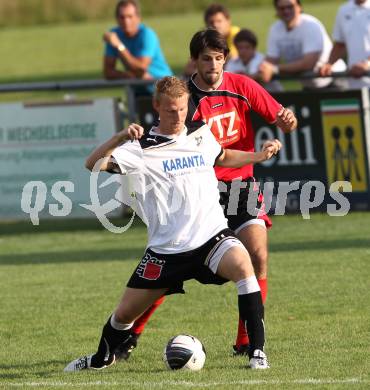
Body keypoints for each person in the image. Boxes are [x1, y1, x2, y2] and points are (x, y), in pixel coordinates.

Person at [64, 76, 284, 372]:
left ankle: (257, 352)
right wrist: (119, 138)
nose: (178, 116)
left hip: (211, 239)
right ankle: (100, 359)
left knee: (246, 269)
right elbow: (92, 164)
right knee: (123, 316)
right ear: (156, 106)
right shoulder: (140, 147)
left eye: (182, 109)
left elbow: (223, 155)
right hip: (166, 251)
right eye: (170, 110)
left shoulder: (200, 132)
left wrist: (258, 155)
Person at [115, 29, 297, 360]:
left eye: (218, 57)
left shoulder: (242, 86)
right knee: (171, 267)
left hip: (241, 185)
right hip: (200, 191)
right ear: (194, 62)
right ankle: (130, 335)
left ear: (225, 59)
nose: (212, 65)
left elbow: (284, 119)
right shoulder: (185, 98)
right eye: (205, 59)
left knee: (257, 255)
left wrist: (287, 121)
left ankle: (246, 341)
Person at [258, 0, 346, 90]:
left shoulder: (310, 25)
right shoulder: (275, 29)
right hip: (309, 84)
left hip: (334, 79)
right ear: (276, 10)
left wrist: (274, 69)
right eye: (282, 8)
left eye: (290, 7)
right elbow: (271, 59)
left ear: (299, 7)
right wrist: (263, 69)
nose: (286, 11)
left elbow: (308, 63)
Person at [103, 0, 172, 94]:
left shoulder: (147, 35)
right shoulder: (114, 35)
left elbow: (140, 68)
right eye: (122, 17)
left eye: (130, 17)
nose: (126, 21)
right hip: (137, 88)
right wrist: (126, 75)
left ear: (138, 18)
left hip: (164, 89)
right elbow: (108, 72)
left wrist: (119, 45)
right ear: (117, 19)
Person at [319, 0, 370, 89]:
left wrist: (367, 64)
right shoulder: (344, 10)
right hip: (355, 81)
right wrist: (329, 64)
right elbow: (340, 44)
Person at [183, 4, 240, 77]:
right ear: (206, 24)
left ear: (228, 21)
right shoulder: (205, 39)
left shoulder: (236, 35)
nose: (215, 25)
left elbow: (232, 59)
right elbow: (188, 68)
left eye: (219, 21)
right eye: (212, 22)